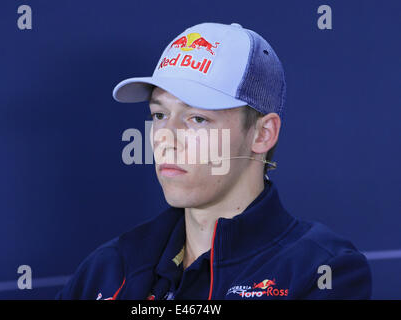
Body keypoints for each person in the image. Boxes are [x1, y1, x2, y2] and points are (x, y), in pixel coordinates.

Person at [56, 22, 371, 300]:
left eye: (196, 118)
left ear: (262, 134)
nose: (165, 137)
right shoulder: (108, 268)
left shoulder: (322, 272)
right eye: (159, 114)